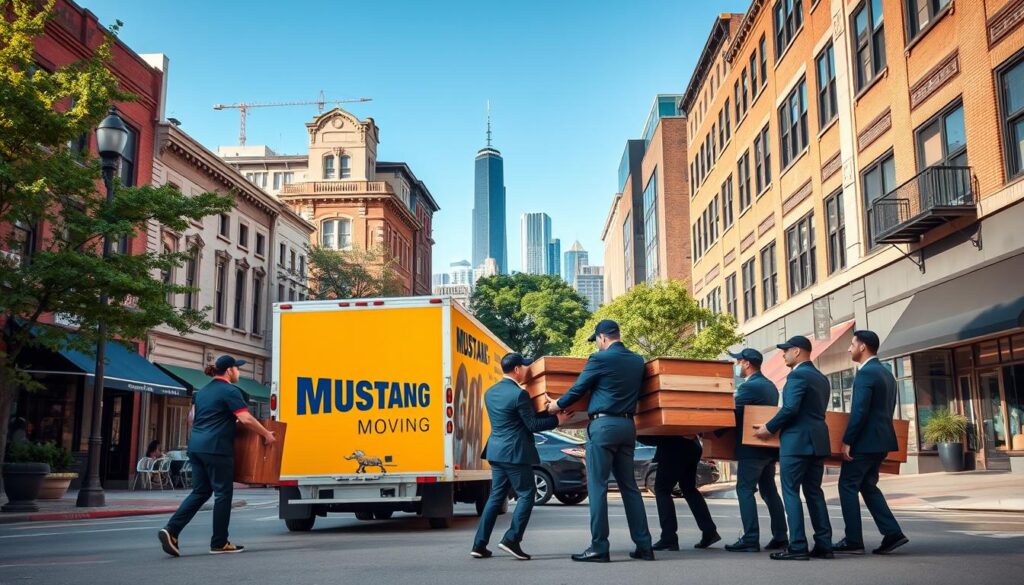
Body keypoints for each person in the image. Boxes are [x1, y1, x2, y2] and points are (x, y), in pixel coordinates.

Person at [547, 319, 654, 562]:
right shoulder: (637, 361)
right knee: (630, 488)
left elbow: (579, 389)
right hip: (628, 427)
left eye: (596, 341)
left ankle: (599, 547)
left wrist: (556, 405)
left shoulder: (599, 359)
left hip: (603, 427)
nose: (596, 345)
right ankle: (644, 546)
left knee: (598, 486)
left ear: (602, 338)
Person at [158, 355, 275, 557]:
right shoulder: (231, 391)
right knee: (223, 494)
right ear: (229, 370)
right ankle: (219, 542)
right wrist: (266, 434)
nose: (239, 372)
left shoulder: (201, 392)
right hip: (217, 448)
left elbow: (191, 419)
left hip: (195, 447)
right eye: (237, 368)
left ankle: (172, 530)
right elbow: (245, 418)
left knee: (200, 492)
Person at [472, 353, 566, 561]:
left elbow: (516, 420)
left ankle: (479, 544)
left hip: (496, 451)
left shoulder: (490, 392)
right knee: (527, 494)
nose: (527, 370)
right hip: (514, 453)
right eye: (525, 366)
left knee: (495, 498)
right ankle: (511, 540)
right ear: (516, 369)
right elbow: (531, 425)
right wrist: (557, 420)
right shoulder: (519, 395)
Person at [753, 336, 833, 561]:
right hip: (818, 442)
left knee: (790, 492)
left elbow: (790, 409)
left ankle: (797, 546)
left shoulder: (797, 375)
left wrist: (768, 428)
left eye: (786, 351)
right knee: (815, 493)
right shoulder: (821, 377)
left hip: (797, 443)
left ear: (797, 351)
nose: (783, 354)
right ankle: (824, 544)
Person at [834, 330, 909, 556]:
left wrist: (848, 441)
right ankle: (893, 533)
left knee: (847, 485)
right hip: (881, 441)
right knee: (867, 485)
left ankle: (853, 540)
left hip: (864, 443)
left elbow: (859, 410)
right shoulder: (887, 374)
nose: (849, 348)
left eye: (852, 344)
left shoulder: (866, 373)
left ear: (862, 346)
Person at [723, 348, 788, 553]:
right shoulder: (769, 385)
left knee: (744, 489)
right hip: (767, 449)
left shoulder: (749, 388)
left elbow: (732, 412)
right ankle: (780, 536)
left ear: (747, 363)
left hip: (752, 448)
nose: (737, 366)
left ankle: (751, 538)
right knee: (769, 491)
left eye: (739, 362)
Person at [639, 434, 720, 551]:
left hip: (674, 448)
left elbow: (660, 433)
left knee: (662, 490)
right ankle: (709, 531)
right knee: (689, 489)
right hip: (692, 447)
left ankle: (669, 537)